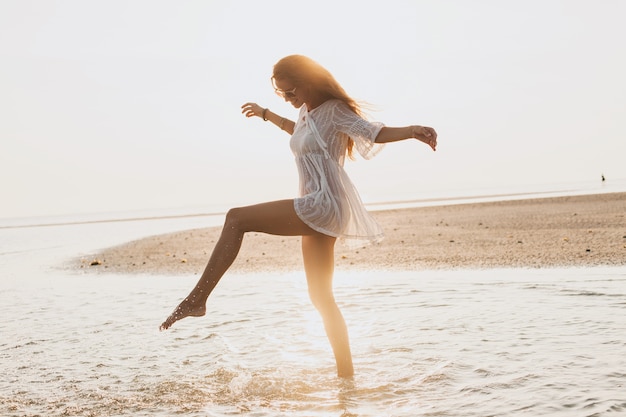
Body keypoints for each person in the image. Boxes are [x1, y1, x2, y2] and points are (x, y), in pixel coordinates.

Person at [160, 55, 437, 378]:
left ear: (306, 82)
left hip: (323, 203)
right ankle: (347, 380)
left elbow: (372, 132)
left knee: (236, 219)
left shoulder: (335, 110)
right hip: (320, 206)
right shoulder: (307, 112)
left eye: (290, 92)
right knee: (321, 297)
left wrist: (413, 130)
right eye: (282, 95)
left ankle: (197, 298)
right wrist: (266, 114)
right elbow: (302, 133)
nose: (288, 99)